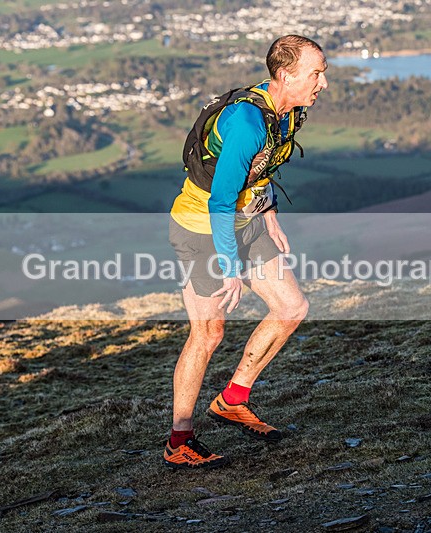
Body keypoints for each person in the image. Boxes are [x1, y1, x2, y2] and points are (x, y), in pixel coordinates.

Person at [163, 35, 328, 469]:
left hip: (247, 221)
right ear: (285, 75)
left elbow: (261, 166)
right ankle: (179, 441)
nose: (323, 82)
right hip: (203, 229)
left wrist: (268, 209)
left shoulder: (286, 112)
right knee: (209, 333)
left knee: (291, 307)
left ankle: (232, 400)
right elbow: (219, 199)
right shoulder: (246, 122)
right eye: (316, 73)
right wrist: (230, 266)